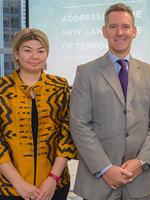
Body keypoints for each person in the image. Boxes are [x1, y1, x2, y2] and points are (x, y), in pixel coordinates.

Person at [69, 3, 150, 200]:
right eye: (113, 27)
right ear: (104, 31)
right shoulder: (85, 72)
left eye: (125, 26)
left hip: (139, 181)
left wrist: (141, 162)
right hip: (98, 181)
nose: (119, 32)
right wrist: (105, 168)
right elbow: (79, 124)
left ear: (134, 31)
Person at [0, 28, 77, 200]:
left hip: (54, 186)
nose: (35, 56)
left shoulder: (59, 86)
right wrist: (18, 183)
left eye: (40, 51)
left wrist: (53, 179)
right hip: (8, 188)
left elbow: (68, 134)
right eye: (28, 50)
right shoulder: (2, 88)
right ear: (16, 54)